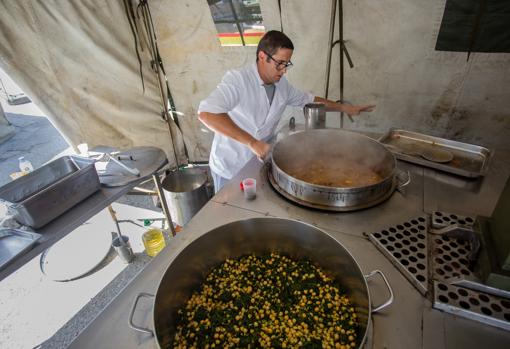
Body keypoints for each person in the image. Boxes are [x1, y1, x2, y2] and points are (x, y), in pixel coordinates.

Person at [198, 30, 375, 193]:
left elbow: (310, 100)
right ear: (262, 56)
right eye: (279, 63)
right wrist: (253, 143)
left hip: (259, 161)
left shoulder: (282, 85)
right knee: (230, 216)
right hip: (230, 166)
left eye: (287, 64)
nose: (283, 70)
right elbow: (207, 113)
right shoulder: (238, 80)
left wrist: (346, 109)